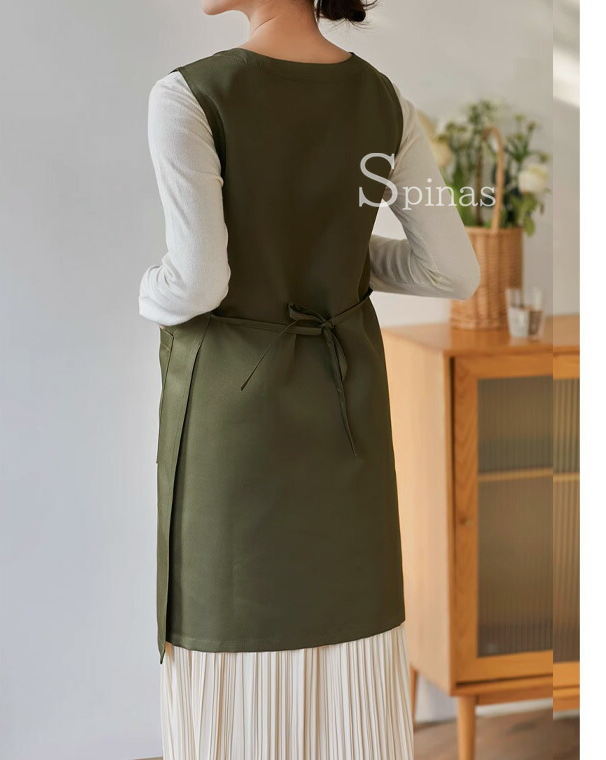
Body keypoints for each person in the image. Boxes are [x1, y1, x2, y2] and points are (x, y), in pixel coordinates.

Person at [139, 0, 480, 757]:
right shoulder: (384, 101)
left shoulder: (189, 96)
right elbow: (452, 272)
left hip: (234, 423)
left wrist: (146, 293)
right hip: (344, 407)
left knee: (228, 643)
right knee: (351, 638)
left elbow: (197, 281)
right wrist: (343, 260)